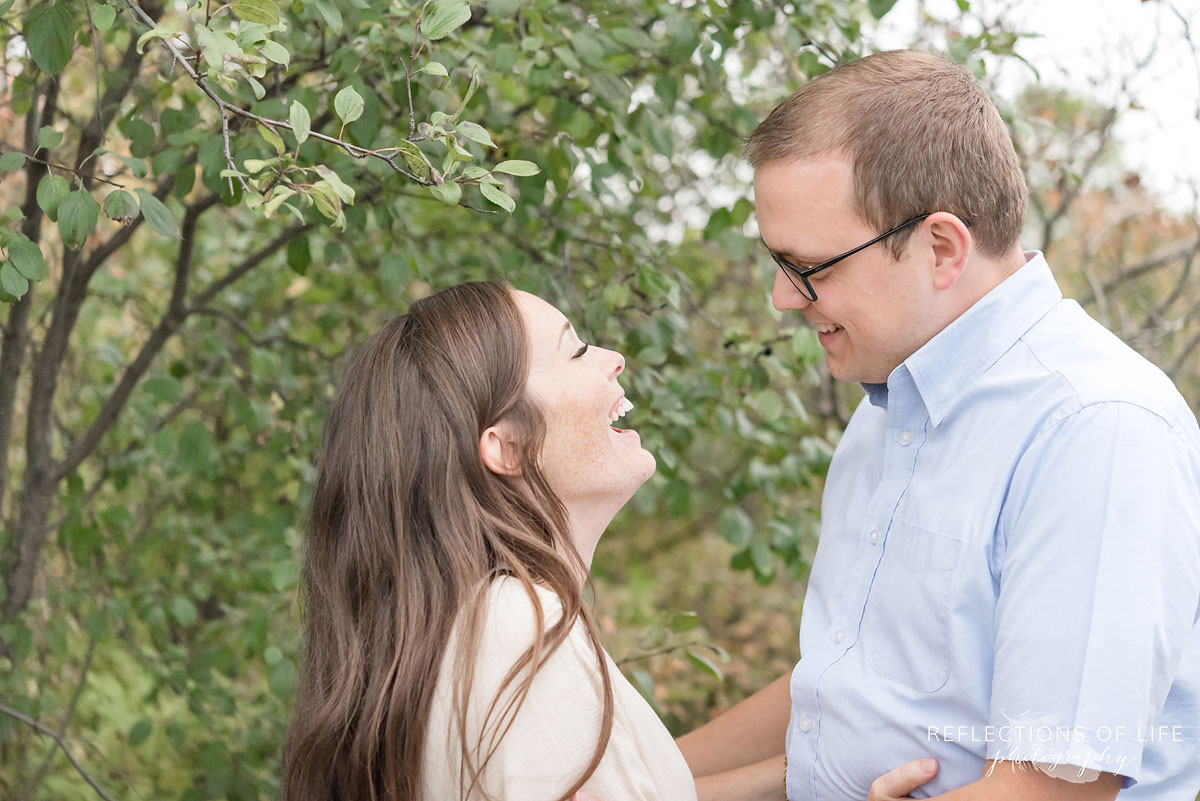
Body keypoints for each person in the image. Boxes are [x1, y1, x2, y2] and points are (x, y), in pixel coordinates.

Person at [674, 48, 1200, 801]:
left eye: (808, 268)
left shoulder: (1096, 430)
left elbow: (1053, 790)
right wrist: (624, 772)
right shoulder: (887, 412)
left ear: (942, 247)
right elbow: (837, 691)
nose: (781, 299)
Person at [276, 279, 932, 801]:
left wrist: (807, 774)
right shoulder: (518, 628)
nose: (615, 357)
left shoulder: (466, 628)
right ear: (506, 445)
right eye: (576, 349)